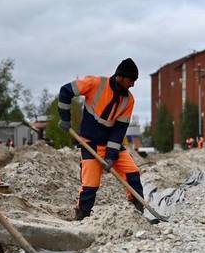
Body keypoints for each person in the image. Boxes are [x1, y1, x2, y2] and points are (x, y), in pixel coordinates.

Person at [58, 58, 144, 220]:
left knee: (132, 173)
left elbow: (119, 130)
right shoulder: (95, 83)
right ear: (121, 76)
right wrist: (65, 118)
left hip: (112, 144)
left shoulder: (129, 100)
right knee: (90, 185)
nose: (133, 84)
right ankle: (81, 215)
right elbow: (65, 91)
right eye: (131, 80)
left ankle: (138, 212)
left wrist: (111, 156)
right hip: (89, 143)